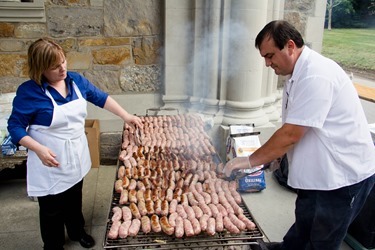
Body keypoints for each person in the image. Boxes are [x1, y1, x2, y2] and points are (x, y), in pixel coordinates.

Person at [223, 20, 375, 250]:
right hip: (318, 172)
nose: (267, 63)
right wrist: (277, 157)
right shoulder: (297, 72)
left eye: (270, 55)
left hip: (342, 176)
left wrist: (248, 160)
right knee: (304, 224)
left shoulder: (316, 75)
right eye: (264, 57)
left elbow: (291, 133)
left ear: (290, 46)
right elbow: (298, 125)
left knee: (322, 239)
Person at [7, 37, 143, 250]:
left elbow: (101, 97)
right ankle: (53, 244)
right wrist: (38, 149)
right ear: (40, 68)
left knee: (74, 196)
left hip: (76, 153)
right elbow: (15, 127)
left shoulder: (75, 81)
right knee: (51, 208)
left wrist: (126, 116)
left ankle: (77, 231)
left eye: (63, 62)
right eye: (55, 66)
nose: (62, 69)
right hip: (49, 158)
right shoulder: (29, 92)